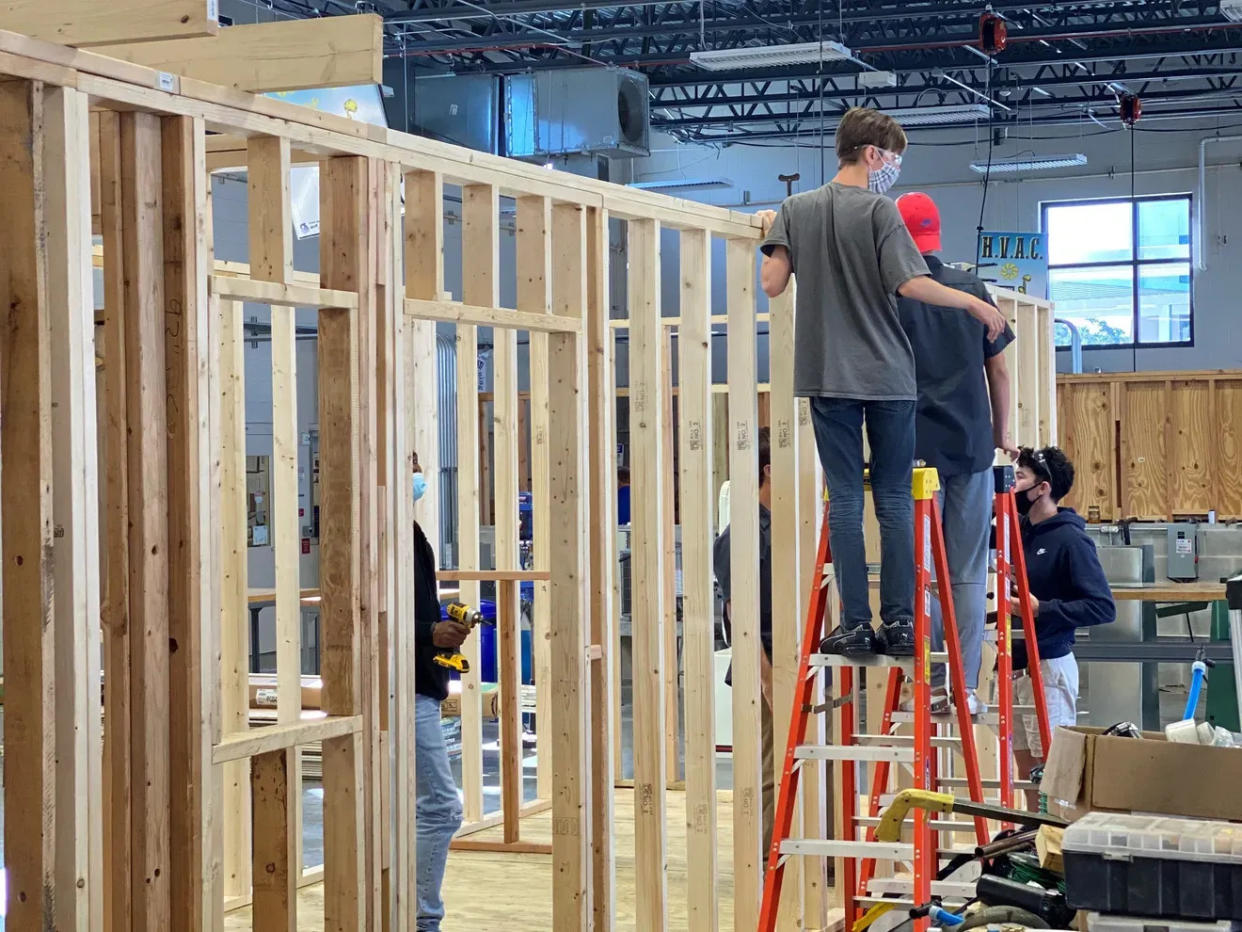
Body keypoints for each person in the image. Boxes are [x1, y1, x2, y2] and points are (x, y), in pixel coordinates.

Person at [757, 107, 1006, 658]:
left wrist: (773, 233)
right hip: (890, 378)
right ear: (872, 154)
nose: (892, 168)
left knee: (845, 499)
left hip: (827, 375)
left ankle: (854, 624)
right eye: (892, 158)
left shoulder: (797, 211)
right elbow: (913, 283)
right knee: (892, 498)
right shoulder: (880, 212)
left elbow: (773, 284)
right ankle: (898, 624)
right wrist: (971, 301)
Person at [895, 191, 1017, 714]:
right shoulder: (970, 288)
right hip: (970, 447)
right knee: (966, 571)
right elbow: (1000, 370)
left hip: (913, 448)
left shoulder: (891, 292)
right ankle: (962, 688)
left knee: (920, 568)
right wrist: (1001, 433)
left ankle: (927, 679)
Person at [1011, 445, 1115, 808]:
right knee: (1027, 779)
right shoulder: (1018, 532)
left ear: (1043, 488)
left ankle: (1058, 852)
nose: (1012, 484)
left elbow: (1102, 607)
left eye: (1020, 477)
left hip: (1048, 669)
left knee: (1052, 780)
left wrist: (1043, 610)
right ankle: (1033, 850)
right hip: (1014, 668)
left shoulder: (1071, 540)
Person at [411, 451, 473, 931]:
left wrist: (442, 627)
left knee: (416, 807)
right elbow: (363, 617)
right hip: (400, 691)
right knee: (442, 805)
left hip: (419, 686)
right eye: (409, 462)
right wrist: (428, 633)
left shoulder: (411, 535)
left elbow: (415, 607)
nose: (418, 470)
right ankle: (422, 921)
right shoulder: (375, 534)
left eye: (418, 459)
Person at [713, 427, 775, 857]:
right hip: (765, 667)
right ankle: (776, 866)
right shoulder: (744, 533)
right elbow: (741, 616)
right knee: (771, 770)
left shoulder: (786, 527)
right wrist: (768, 680)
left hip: (791, 666)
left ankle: (811, 861)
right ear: (770, 470)